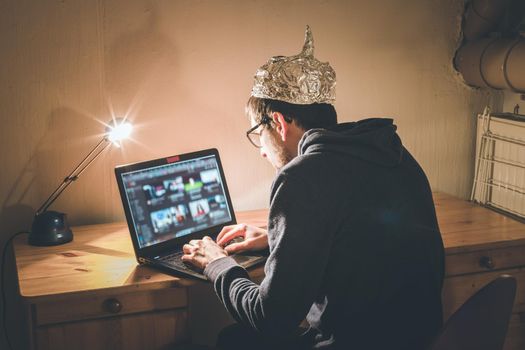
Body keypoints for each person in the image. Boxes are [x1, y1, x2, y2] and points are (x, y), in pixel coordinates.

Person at [181, 26, 445, 350]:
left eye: (257, 135)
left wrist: (217, 263)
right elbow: (360, 238)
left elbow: (271, 318)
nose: (262, 150)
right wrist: (276, 239)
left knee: (230, 340)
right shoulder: (393, 153)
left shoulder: (300, 177)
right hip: (420, 340)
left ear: (278, 123)